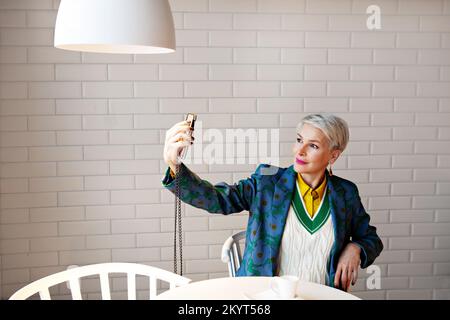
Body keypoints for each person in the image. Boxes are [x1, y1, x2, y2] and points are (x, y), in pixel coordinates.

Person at [162, 113, 383, 291]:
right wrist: (175, 166)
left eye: (313, 146)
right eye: (299, 140)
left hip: (321, 295)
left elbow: (371, 238)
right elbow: (217, 199)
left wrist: (356, 247)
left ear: (333, 156)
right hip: (263, 297)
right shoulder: (267, 182)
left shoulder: (345, 193)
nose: (300, 151)